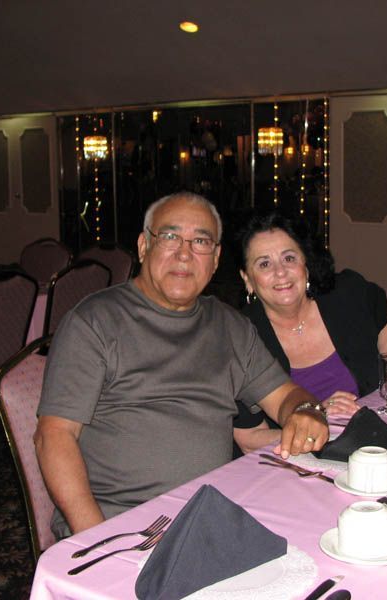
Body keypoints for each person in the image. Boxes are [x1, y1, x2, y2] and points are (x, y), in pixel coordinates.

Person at [34, 193, 328, 538]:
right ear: (144, 246)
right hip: (125, 524)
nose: (184, 254)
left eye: (200, 241)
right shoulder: (95, 322)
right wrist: (97, 538)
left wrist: (307, 410)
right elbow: (54, 436)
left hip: (211, 514)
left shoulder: (229, 326)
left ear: (216, 258)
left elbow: (286, 397)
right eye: (170, 237)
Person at [233, 213, 387, 454]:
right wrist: (313, 425)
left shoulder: (346, 296)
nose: (280, 272)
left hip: (373, 446)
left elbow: (378, 300)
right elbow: (249, 439)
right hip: (291, 465)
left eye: (289, 258)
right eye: (264, 264)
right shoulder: (241, 338)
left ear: (306, 264)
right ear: (247, 279)